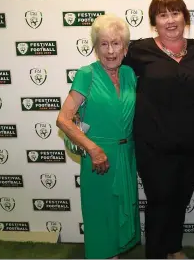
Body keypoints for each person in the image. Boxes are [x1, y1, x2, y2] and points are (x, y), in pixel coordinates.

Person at [122, 0, 194, 259]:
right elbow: (111, 71)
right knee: (160, 200)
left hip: (193, 142)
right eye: (162, 15)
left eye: (175, 13)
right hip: (154, 143)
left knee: (180, 199)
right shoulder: (139, 50)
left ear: (185, 17)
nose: (170, 20)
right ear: (154, 22)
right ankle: (157, 253)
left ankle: (174, 246)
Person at [56, 13, 140, 259]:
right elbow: (64, 119)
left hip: (126, 156)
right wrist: (93, 149)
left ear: (125, 48)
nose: (110, 50)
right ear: (95, 47)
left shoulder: (129, 75)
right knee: (100, 215)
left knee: (120, 215)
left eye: (116, 44)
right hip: (98, 160)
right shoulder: (87, 74)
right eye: (104, 43)